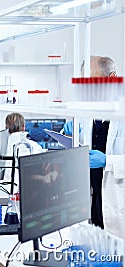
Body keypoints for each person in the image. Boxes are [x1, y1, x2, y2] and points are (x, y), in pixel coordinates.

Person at [63, 56, 123, 230]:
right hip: (92, 199)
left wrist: (108, 161)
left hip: (117, 200)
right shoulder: (87, 110)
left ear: (112, 78)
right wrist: (71, 135)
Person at [0, 113, 44, 188]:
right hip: (26, 186)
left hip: (5, 186)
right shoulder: (31, 146)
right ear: (24, 127)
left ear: (6, 127)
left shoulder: (1, 144)